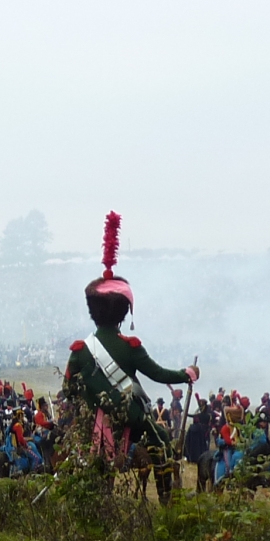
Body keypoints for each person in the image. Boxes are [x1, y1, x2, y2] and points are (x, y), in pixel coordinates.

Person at [62, 212, 198, 503]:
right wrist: (186, 374)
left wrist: (92, 405)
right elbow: (159, 374)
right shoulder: (131, 346)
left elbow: (68, 390)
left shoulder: (79, 350)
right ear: (123, 313)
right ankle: (166, 501)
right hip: (132, 421)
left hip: (91, 424)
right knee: (161, 443)